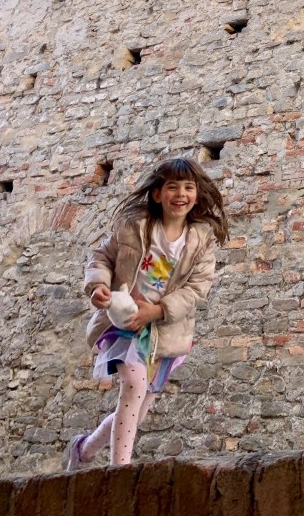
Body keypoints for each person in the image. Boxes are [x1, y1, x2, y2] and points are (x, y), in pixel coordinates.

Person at [66, 156, 229, 469]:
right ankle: (120, 472)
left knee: (137, 411)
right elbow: (102, 258)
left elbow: (197, 289)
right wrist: (98, 286)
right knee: (134, 385)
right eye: (172, 187)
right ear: (157, 194)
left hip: (163, 330)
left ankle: (84, 449)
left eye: (188, 187)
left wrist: (156, 311)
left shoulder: (201, 240)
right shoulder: (134, 226)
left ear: (196, 195)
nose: (180, 194)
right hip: (122, 321)